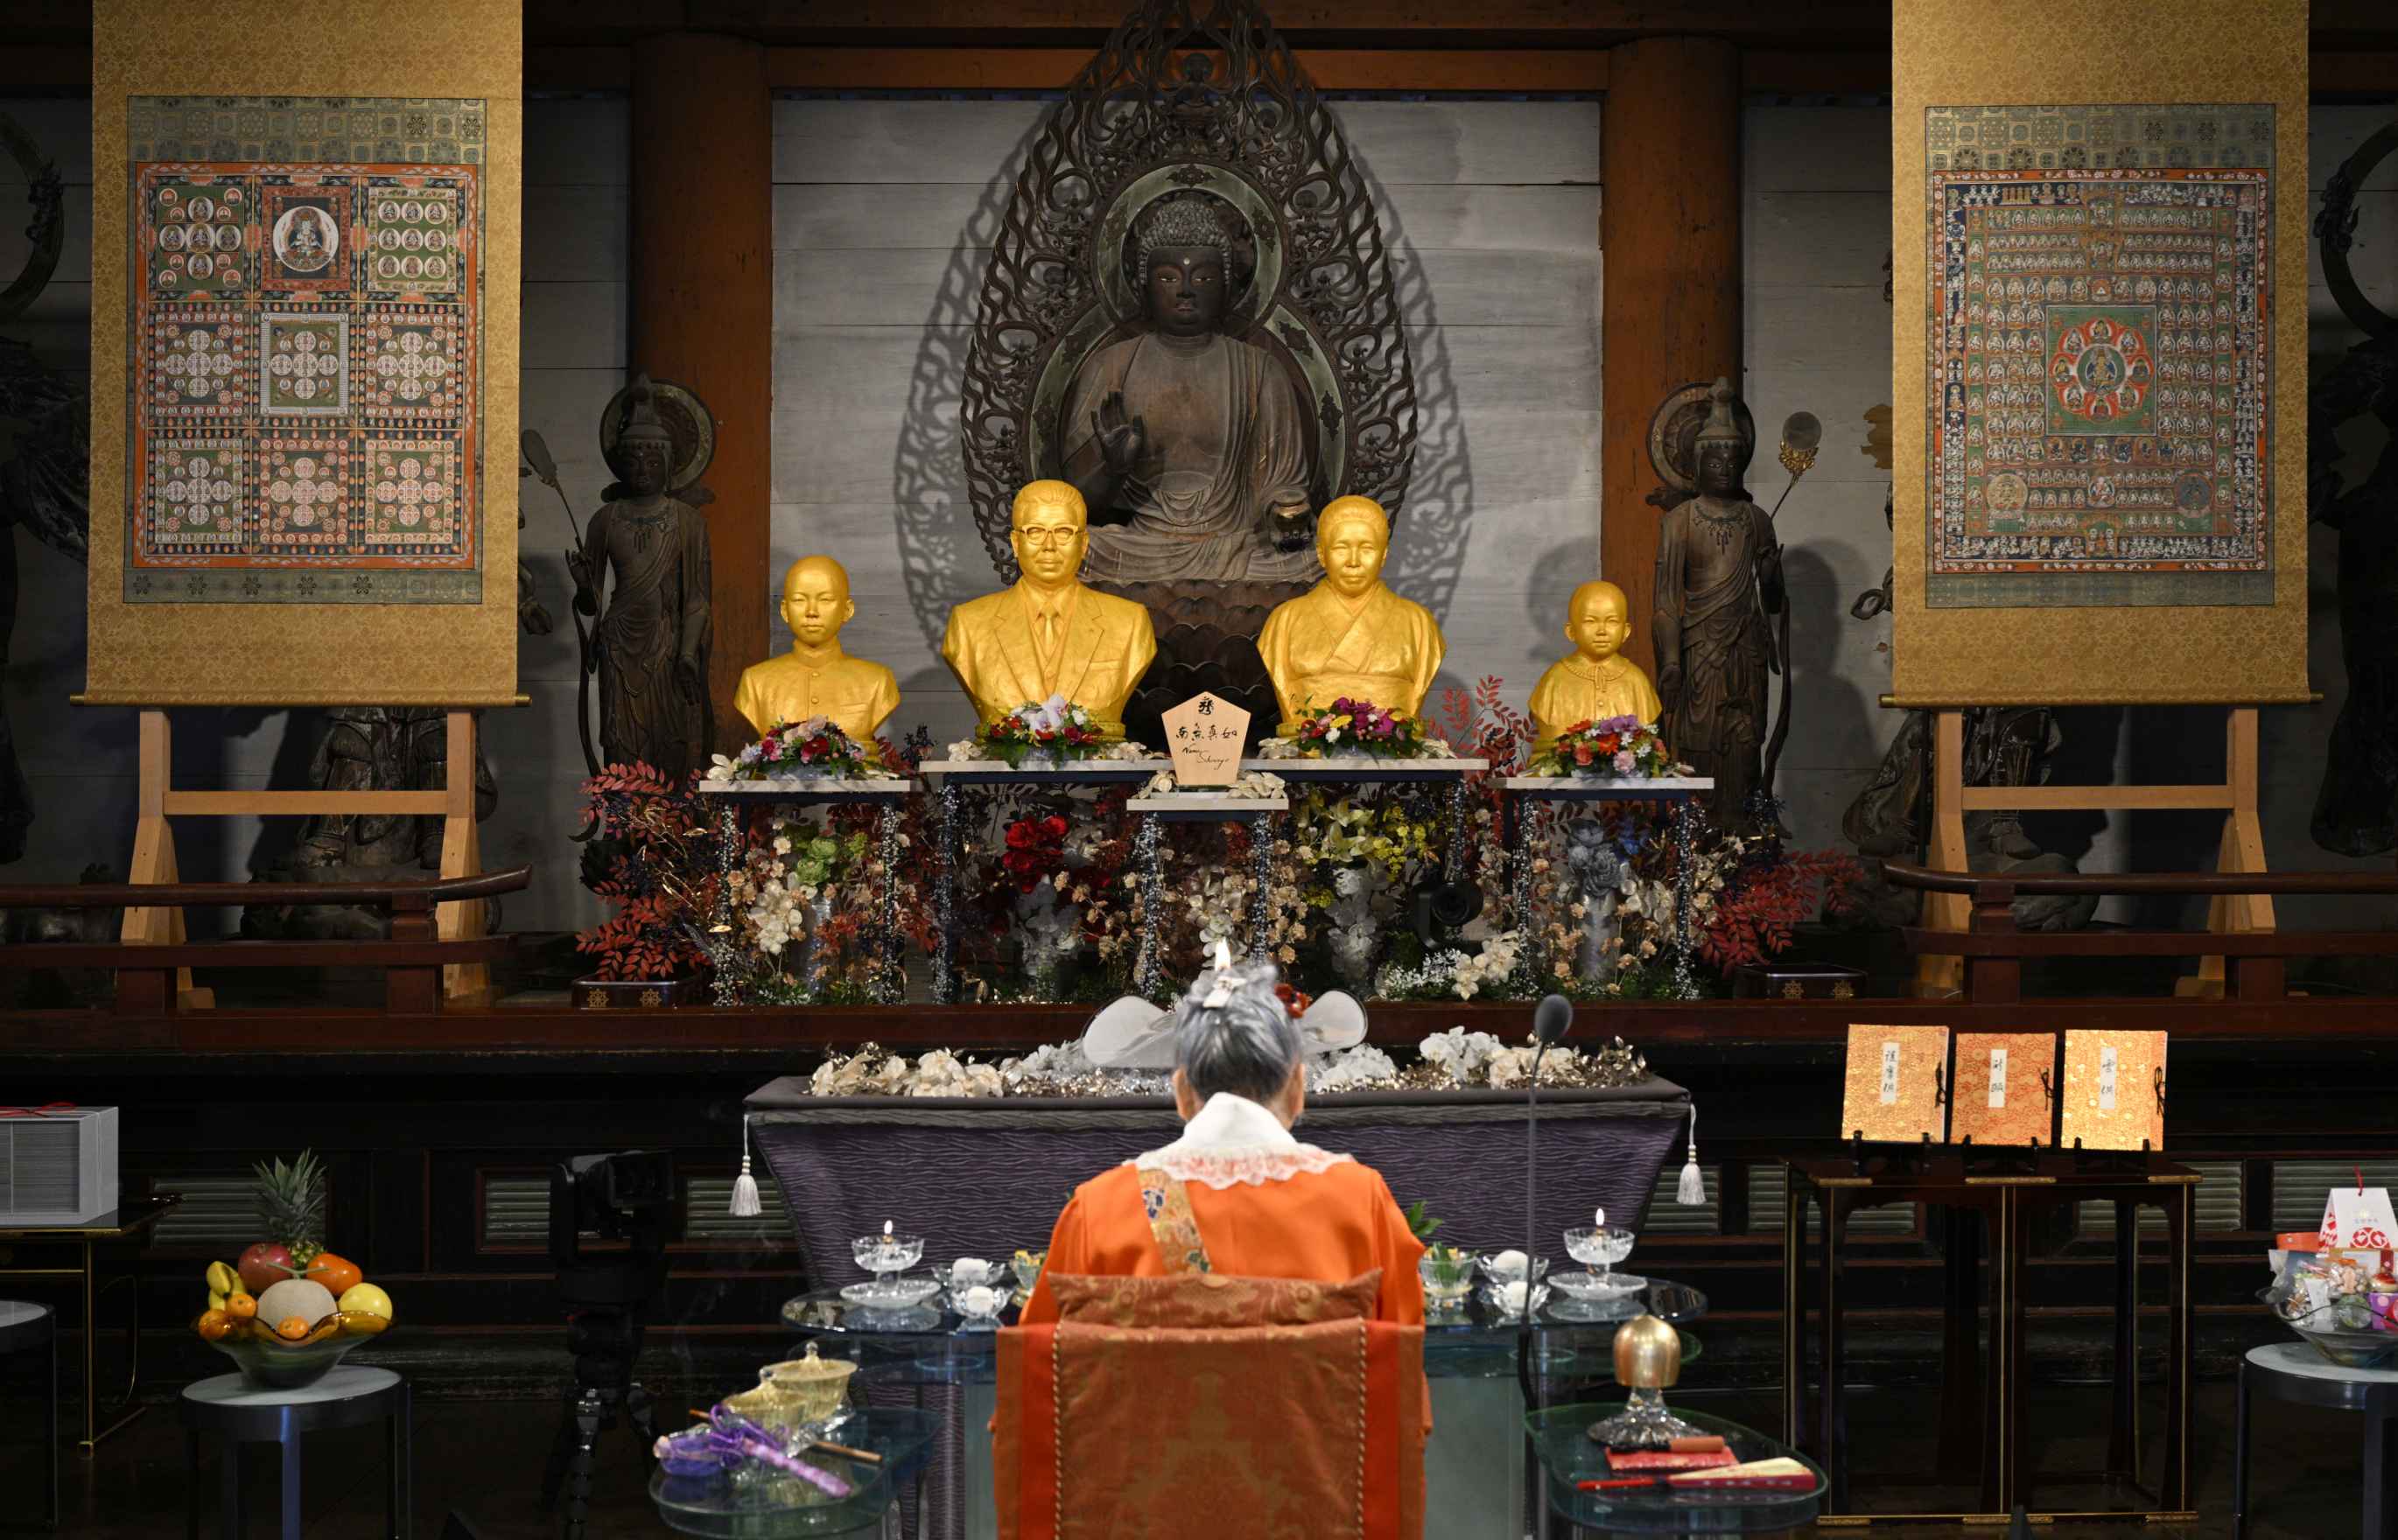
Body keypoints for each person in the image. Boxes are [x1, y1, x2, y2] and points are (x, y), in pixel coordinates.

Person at [1020, 953, 1425, 1326]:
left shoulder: (1101, 1210)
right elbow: (1397, 1366)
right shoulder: (1359, 1202)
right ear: (1298, 1087)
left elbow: (1046, 1372)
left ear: (1181, 1093)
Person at [941, 480, 1158, 740]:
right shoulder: (968, 624)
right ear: (1016, 542)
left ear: (1084, 543)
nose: (1049, 545)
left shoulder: (1130, 623)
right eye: (1035, 532)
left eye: (1063, 531)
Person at [1255, 495, 1444, 737]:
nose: (1353, 562)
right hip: (1306, 753)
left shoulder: (1419, 623)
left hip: (1393, 752)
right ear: (1322, 554)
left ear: (1384, 555)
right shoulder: (1284, 621)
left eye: (1366, 548)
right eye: (1341, 548)